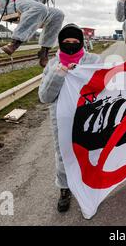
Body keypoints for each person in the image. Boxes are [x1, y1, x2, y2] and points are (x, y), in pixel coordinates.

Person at [38, 24, 101, 213]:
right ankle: (65, 189)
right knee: (64, 154)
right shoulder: (52, 65)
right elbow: (44, 97)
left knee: (92, 150)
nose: (71, 45)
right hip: (63, 119)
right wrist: (60, 73)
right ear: (60, 43)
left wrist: (81, 74)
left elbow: (104, 86)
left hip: (90, 116)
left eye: (75, 42)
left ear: (81, 42)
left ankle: (91, 184)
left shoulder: (94, 60)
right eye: (66, 42)